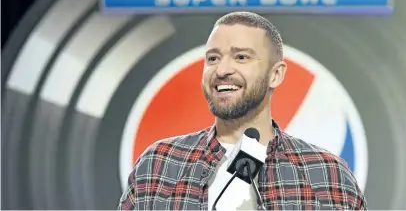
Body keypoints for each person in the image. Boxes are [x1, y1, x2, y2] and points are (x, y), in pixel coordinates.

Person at [118, 11, 367, 210]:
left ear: (276, 74)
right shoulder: (159, 165)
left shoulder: (327, 175)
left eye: (241, 57)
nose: (222, 69)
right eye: (213, 58)